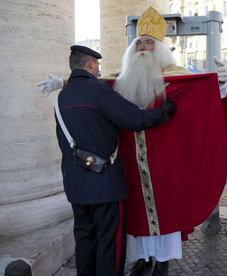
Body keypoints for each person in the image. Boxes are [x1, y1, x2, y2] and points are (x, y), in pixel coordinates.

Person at [39, 7, 227, 276]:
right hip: (130, 166)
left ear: (160, 47)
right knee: (135, 215)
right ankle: (143, 259)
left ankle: (162, 261)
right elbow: (95, 86)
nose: (144, 47)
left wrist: (219, 85)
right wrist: (64, 83)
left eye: (149, 42)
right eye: (139, 42)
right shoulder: (121, 79)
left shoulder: (177, 75)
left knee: (165, 211)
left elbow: (199, 96)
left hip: (165, 163)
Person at [54, 45, 175, 276]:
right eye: (97, 64)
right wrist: (165, 112)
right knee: (110, 244)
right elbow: (136, 118)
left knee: (85, 241)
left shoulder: (62, 97)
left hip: (75, 186)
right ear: (90, 64)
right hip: (105, 186)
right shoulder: (99, 92)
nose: (99, 69)